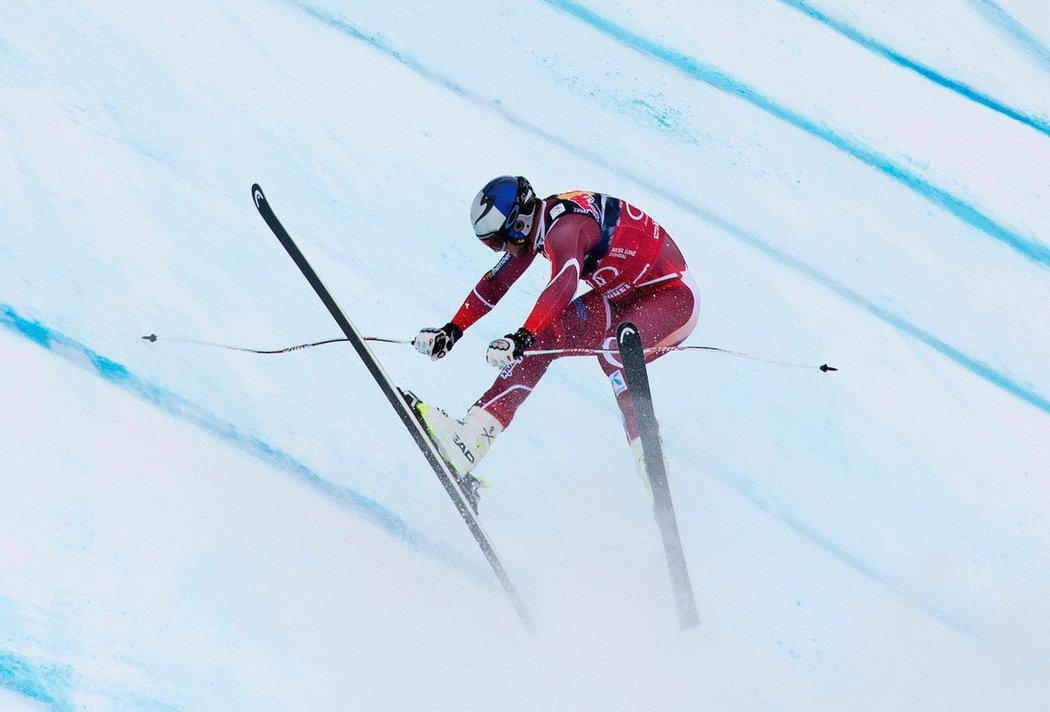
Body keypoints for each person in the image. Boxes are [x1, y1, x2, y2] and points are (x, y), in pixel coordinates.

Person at [407, 175, 700, 511]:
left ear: (517, 224)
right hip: (622, 297)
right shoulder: (536, 224)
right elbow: (496, 282)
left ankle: (651, 459)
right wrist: (452, 330)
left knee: (615, 350)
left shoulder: (565, 229)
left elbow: (564, 282)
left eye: (498, 243)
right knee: (543, 340)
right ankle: (471, 439)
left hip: (672, 297)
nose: (501, 251)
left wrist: (520, 335)